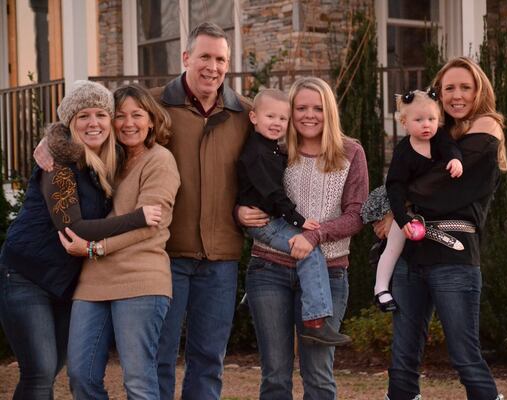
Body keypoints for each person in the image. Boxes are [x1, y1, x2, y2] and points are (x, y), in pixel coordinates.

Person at [0, 80, 160, 400]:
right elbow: (74, 228)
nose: (93, 123)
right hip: (25, 276)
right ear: (70, 123)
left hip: (63, 280)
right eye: (83, 116)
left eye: (101, 114)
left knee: (54, 366)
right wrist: (139, 217)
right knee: (40, 372)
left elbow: (153, 113)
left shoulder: (107, 160)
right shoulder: (57, 162)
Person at [376, 57, 507, 400]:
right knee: (402, 358)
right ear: (439, 93)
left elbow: (440, 186)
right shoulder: (432, 134)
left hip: (454, 256)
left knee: (465, 356)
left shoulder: (486, 129)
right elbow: (399, 176)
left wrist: (396, 205)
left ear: (479, 90)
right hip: (411, 256)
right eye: (449, 88)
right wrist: (395, 203)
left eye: (466, 87)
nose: (457, 95)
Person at [237, 76, 369, 400]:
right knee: (275, 376)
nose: (309, 115)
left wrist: (315, 236)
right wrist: (238, 213)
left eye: (318, 108)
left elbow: (357, 215)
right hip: (269, 270)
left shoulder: (351, 152)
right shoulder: (276, 150)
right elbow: (249, 190)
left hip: (330, 271)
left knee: (319, 375)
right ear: (290, 112)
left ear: (330, 112)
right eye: (301, 108)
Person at [148, 22, 253, 400]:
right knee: (158, 356)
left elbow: (303, 131)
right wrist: (54, 140)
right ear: (186, 57)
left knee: (209, 358)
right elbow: (94, 124)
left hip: (221, 257)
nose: (213, 66)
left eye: (221, 59)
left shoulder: (245, 113)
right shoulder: (153, 104)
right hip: (165, 255)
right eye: (205, 56)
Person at [57, 84, 180, 400]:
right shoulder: (107, 161)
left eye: (137, 115)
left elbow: (150, 225)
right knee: (80, 376)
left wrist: (96, 249)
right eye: (120, 115)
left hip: (140, 279)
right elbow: (71, 131)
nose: (128, 123)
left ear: (151, 120)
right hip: (94, 281)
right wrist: (48, 141)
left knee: (138, 383)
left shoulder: (160, 160)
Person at [237, 88, 350, 346]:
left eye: (282, 118)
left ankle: (250, 299)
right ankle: (314, 321)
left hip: (272, 219)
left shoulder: (272, 148)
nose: (277, 123)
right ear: (253, 117)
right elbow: (273, 194)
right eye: (270, 117)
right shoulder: (258, 153)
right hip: (266, 223)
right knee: (308, 250)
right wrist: (299, 221)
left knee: (307, 247)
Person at [369, 88, 463, 312]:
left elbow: (450, 148)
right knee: (394, 243)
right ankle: (381, 288)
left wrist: (455, 160)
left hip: (429, 208)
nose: (426, 125)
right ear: (405, 123)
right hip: (402, 205)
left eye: (432, 119)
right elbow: (395, 188)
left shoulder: (439, 137)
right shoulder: (404, 152)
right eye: (419, 120)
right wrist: (402, 221)